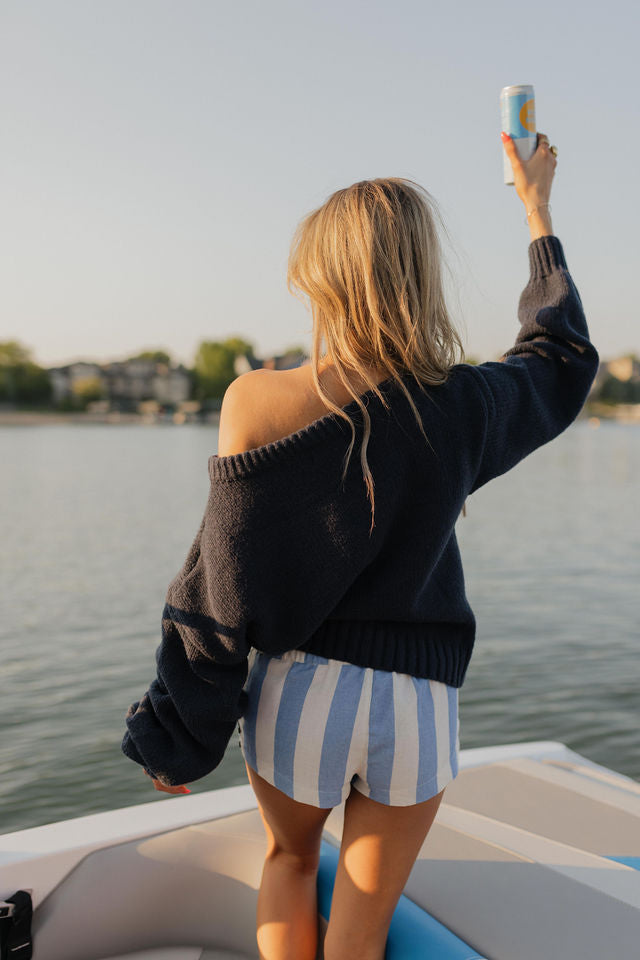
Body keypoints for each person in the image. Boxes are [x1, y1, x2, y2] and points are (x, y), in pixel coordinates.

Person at [122, 131, 599, 960]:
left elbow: (218, 595)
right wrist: (536, 209)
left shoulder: (256, 401)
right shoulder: (461, 406)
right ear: (418, 274)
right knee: (364, 927)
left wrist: (176, 736)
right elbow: (559, 359)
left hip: (302, 693)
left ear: (320, 276)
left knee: (289, 861)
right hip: (418, 704)